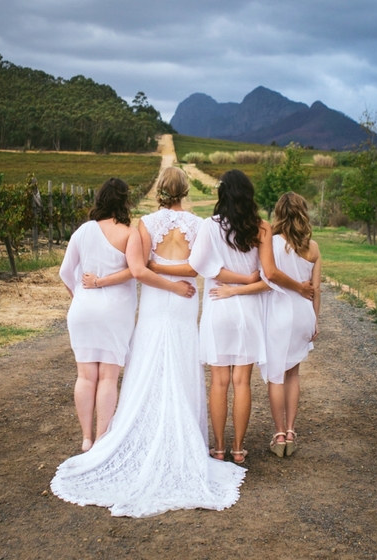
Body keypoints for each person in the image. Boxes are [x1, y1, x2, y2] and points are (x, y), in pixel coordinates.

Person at [51, 167, 245, 516]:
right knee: (181, 359)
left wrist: (159, 267)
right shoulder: (199, 226)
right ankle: (179, 438)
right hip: (185, 300)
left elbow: (141, 267)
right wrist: (176, 273)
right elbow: (199, 268)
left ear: (160, 190)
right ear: (185, 190)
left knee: (150, 358)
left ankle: (119, 432)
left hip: (157, 299)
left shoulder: (145, 224)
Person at [214, 191, 320, 458]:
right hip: (304, 315)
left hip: (279, 315)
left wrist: (234, 291)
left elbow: (266, 280)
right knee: (293, 373)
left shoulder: (271, 243)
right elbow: (315, 290)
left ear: (279, 214)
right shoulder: (314, 247)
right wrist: (315, 321)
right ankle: (293, 431)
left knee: (276, 376)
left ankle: (279, 432)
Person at [188, 169, 269, 464]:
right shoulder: (260, 228)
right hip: (248, 310)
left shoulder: (210, 226)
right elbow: (266, 276)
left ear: (222, 193)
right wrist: (247, 281)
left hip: (219, 305)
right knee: (242, 383)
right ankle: (238, 450)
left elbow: (199, 264)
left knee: (219, 382)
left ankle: (219, 449)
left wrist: (233, 282)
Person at [58, 177, 138, 452]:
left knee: (85, 375)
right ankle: (103, 437)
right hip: (115, 311)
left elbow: (65, 272)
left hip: (84, 309)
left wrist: (79, 296)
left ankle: (86, 438)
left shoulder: (83, 231)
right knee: (107, 377)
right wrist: (104, 282)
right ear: (124, 200)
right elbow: (134, 271)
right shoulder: (128, 233)